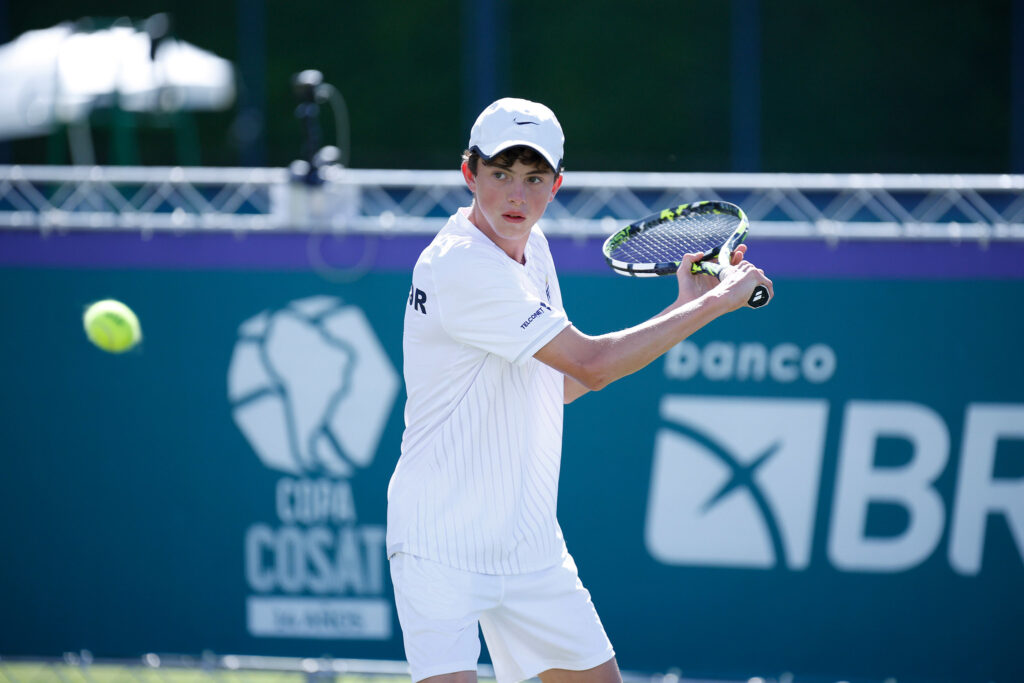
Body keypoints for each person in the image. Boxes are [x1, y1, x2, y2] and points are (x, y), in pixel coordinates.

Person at [387, 97, 773, 683]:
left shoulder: (531, 248)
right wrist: (718, 303)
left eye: (534, 178)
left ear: (556, 184)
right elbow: (592, 364)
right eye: (500, 175)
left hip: (527, 545)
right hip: (438, 547)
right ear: (469, 173)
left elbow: (561, 382)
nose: (517, 196)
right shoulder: (461, 265)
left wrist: (684, 306)